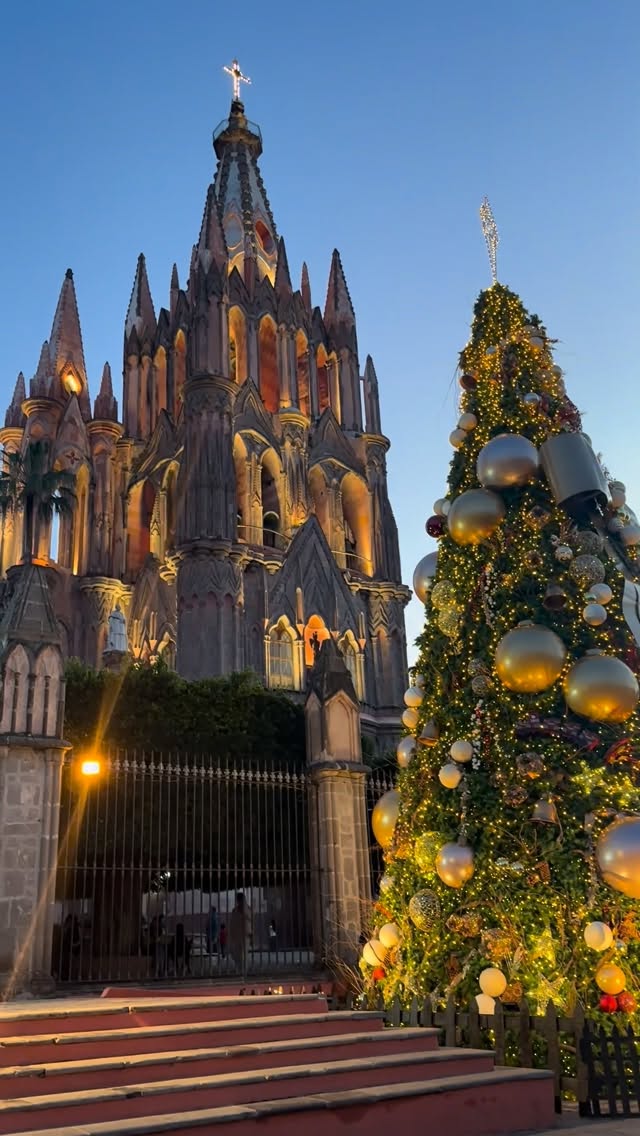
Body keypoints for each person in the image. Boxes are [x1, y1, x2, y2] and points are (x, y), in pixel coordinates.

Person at [228, 892, 251, 978]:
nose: (240, 902)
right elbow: (232, 923)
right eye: (239, 900)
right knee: (237, 954)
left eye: (241, 900)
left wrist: (251, 935)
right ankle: (239, 970)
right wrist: (231, 934)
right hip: (237, 935)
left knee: (244, 954)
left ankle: (244, 972)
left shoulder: (248, 909)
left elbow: (251, 923)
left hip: (245, 935)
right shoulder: (235, 911)